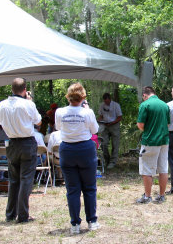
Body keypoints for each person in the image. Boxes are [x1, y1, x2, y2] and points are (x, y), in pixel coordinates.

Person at [55, 83, 100, 234]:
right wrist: (86, 111)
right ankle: (92, 221)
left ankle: (75, 224)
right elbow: (95, 130)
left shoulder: (60, 112)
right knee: (89, 187)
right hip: (85, 149)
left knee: (72, 189)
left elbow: (58, 127)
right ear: (83, 97)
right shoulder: (88, 112)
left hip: (67, 148)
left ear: (68, 96)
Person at [0, 77, 42, 223]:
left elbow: (1, 123)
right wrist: (29, 101)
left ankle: (10, 214)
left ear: (12, 89)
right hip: (26, 143)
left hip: (11, 143)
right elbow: (38, 121)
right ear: (24, 90)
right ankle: (23, 215)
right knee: (26, 179)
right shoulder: (27, 104)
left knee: (14, 180)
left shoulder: (2, 104)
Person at [136, 86, 170, 204]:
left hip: (150, 141)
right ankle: (161, 195)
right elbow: (168, 125)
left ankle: (147, 196)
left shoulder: (145, 105)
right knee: (163, 168)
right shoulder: (165, 105)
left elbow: (140, 125)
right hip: (164, 141)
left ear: (145, 95)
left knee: (147, 169)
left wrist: (149, 129)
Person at [98, 93, 122, 169]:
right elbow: (101, 115)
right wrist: (99, 120)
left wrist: (112, 122)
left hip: (114, 125)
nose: (106, 103)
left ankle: (113, 162)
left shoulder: (116, 105)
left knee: (115, 144)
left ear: (110, 99)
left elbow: (119, 117)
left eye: (108, 101)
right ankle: (107, 160)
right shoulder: (102, 105)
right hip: (105, 125)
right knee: (103, 143)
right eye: (105, 101)